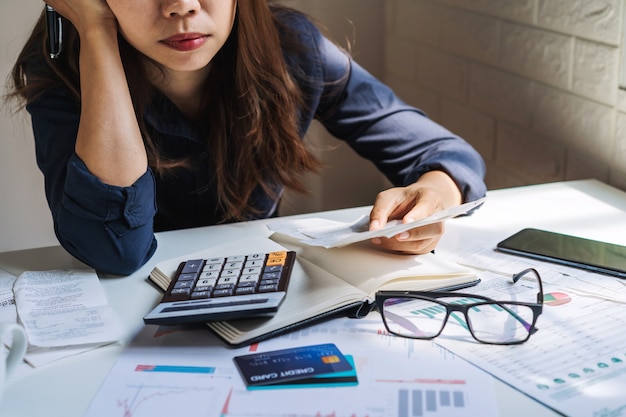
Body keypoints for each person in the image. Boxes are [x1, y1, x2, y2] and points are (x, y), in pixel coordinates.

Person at [7, 0, 486, 275]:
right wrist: (94, 33)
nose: (182, 6)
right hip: (134, 325)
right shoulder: (61, 69)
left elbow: (442, 153)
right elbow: (114, 251)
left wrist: (435, 196)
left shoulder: (291, 46)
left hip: (272, 296)